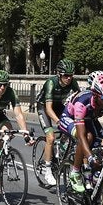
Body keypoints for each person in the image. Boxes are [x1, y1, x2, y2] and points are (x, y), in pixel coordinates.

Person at [32, 59, 79, 187]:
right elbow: (48, 108)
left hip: (58, 105)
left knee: (71, 130)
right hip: (44, 106)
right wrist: (59, 122)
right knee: (51, 137)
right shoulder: (51, 83)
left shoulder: (73, 83)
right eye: (65, 76)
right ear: (59, 74)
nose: (68, 78)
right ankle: (47, 171)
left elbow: (78, 102)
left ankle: (61, 150)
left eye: (71, 75)